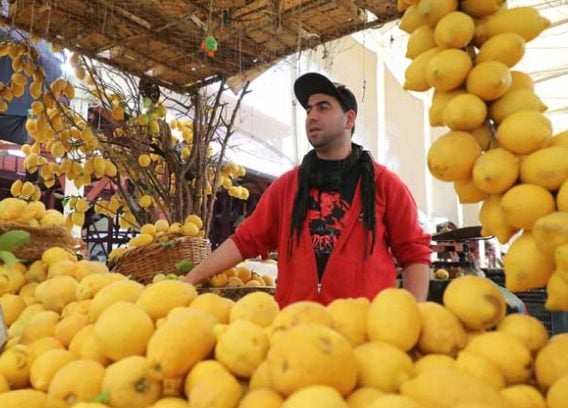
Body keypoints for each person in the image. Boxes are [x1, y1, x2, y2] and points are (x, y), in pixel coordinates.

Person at [184, 72, 431, 306]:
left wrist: (412, 315)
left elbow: (414, 253)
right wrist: (190, 279)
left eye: (323, 107)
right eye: (309, 109)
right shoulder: (287, 186)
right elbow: (245, 240)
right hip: (297, 325)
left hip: (362, 327)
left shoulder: (384, 184)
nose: (312, 116)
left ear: (349, 119)